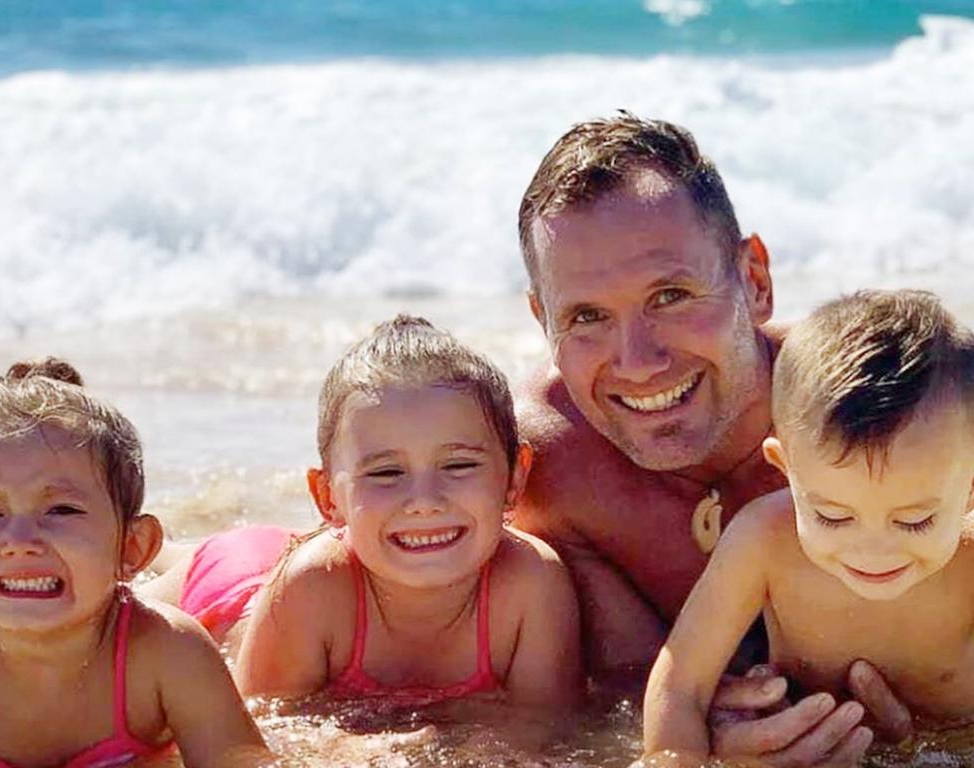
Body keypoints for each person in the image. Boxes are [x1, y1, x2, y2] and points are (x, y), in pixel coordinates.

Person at [513, 113, 910, 764]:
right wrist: (704, 741)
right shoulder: (549, 466)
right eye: (586, 317)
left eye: (670, 295)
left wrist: (928, 725)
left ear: (754, 280)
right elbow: (614, 701)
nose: (637, 361)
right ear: (543, 318)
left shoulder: (886, 414)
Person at [151, 315, 582, 709]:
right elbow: (266, 732)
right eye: (387, 472)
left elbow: (541, 729)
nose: (424, 500)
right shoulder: (310, 588)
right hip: (239, 576)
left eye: (458, 465)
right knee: (149, 567)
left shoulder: (533, 582)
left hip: (353, 540)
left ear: (514, 480)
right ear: (328, 497)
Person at [644, 290, 974, 763]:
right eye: (833, 516)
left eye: (915, 521)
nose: (872, 550)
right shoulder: (762, 539)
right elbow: (682, 683)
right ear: (785, 466)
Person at [0, 359, 271, 768]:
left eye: (61, 510)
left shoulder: (170, 653)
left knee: (195, 571)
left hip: (161, 588)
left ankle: (175, 554)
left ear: (131, 549)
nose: (17, 542)